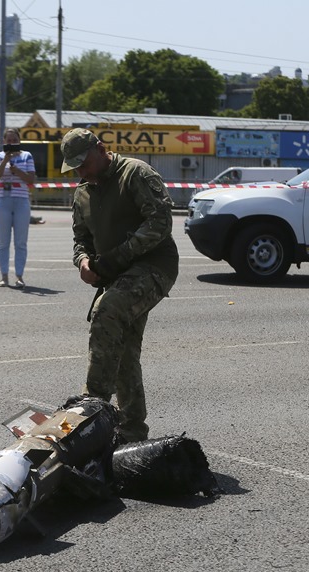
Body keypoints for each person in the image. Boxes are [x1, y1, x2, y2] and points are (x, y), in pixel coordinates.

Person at [62, 128, 179, 444]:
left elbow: (160, 223)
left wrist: (115, 258)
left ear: (100, 149)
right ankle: (131, 431)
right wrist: (84, 263)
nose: (81, 171)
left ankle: (93, 406)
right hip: (117, 274)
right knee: (123, 350)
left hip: (155, 266)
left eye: (83, 163)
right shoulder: (83, 192)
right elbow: (80, 241)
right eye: (75, 167)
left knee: (108, 310)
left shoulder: (135, 173)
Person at [0, 128, 35, 288]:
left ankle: (19, 276)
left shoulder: (27, 156)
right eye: (9, 141)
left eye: (14, 140)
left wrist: (17, 171)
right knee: (3, 241)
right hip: (3, 198)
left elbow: (31, 179)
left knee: (20, 242)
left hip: (21, 199)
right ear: (4, 142)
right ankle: (4, 275)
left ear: (19, 141)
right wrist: (5, 160)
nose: (11, 143)